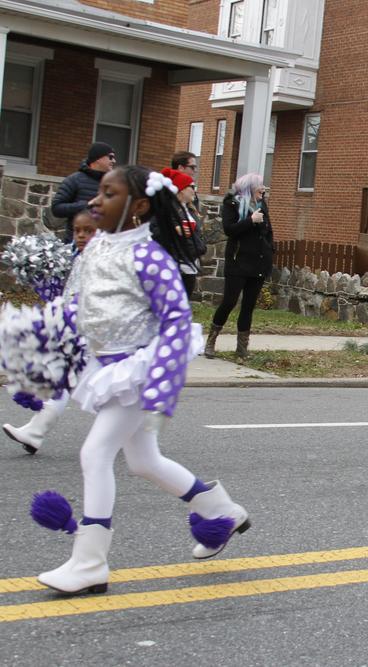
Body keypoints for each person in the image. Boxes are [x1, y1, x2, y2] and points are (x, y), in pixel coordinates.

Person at [28, 165, 249, 596]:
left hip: (135, 372)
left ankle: (90, 562)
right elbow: (77, 305)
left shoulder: (149, 257)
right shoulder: (97, 249)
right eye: (98, 192)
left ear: (139, 207)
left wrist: (159, 384)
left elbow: (177, 322)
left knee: (95, 453)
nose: (94, 201)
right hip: (107, 369)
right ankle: (222, 511)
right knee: (144, 462)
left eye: (108, 194)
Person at [2, 211, 97, 455]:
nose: (81, 236)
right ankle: (35, 432)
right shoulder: (78, 257)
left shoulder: (102, 260)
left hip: (92, 332)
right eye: (77, 231)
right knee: (74, 383)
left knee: (75, 382)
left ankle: (124, 429)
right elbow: (68, 292)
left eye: (88, 231)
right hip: (74, 330)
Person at [205, 173, 273, 359]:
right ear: (250, 187)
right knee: (229, 301)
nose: (264, 189)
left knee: (248, 306)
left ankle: (242, 348)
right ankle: (211, 341)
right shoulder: (232, 204)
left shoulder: (261, 205)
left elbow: (268, 233)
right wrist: (250, 221)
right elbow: (230, 229)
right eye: (260, 185)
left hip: (258, 263)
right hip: (238, 262)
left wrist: (269, 254)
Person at [51, 142, 116, 242]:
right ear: (98, 158)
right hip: (77, 245)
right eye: (110, 157)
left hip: (102, 246)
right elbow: (56, 208)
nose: (114, 161)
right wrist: (84, 206)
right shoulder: (74, 180)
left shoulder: (113, 184)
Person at [161, 167, 206, 298]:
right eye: (191, 186)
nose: (194, 190)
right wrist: (176, 230)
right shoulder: (169, 209)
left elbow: (196, 235)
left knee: (184, 304)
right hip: (176, 264)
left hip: (190, 263)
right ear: (180, 189)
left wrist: (201, 247)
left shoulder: (190, 210)